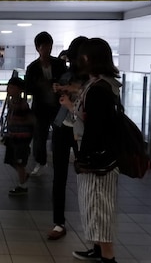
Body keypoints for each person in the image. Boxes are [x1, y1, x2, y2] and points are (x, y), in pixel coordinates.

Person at [60, 38, 121, 263]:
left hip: (98, 161)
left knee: (99, 208)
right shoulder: (104, 83)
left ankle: (107, 256)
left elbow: (94, 127)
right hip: (102, 157)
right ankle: (97, 249)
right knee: (94, 207)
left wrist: (84, 157)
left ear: (89, 58)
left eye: (82, 56)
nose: (78, 61)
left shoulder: (99, 89)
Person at [47, 36, 88, 240]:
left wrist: (73, 90)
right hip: (63, 125)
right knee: (59, 175)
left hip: (82, 129)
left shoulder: (93, 78)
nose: (73, 63)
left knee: (88, 175)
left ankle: (90, 223)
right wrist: (60, 90)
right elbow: (60, 99)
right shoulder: (67, 74)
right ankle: (58, 222)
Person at [25, 31, 67, 176]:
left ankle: (58, 160)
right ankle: (41, 162)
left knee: (59, 134)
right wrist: (40, 85)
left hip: (58, 107)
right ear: (38, 48)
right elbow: (28, 88)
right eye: (44, 48)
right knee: (40, 137)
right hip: (40, 108)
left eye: (49, 47)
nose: (47, 50)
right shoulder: (32, 68)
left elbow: (66, 81)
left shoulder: (59, 64)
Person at [2, 77, 35, 196]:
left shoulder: (22, 105)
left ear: (19, 90)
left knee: (19, 162)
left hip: (21, 138)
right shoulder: (12, 103)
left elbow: (30, 120)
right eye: (8, 86)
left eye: (11, 87)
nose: (8, 89)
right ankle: (24, 176)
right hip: (13, 137)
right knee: (12, 160)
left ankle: (23, 186)